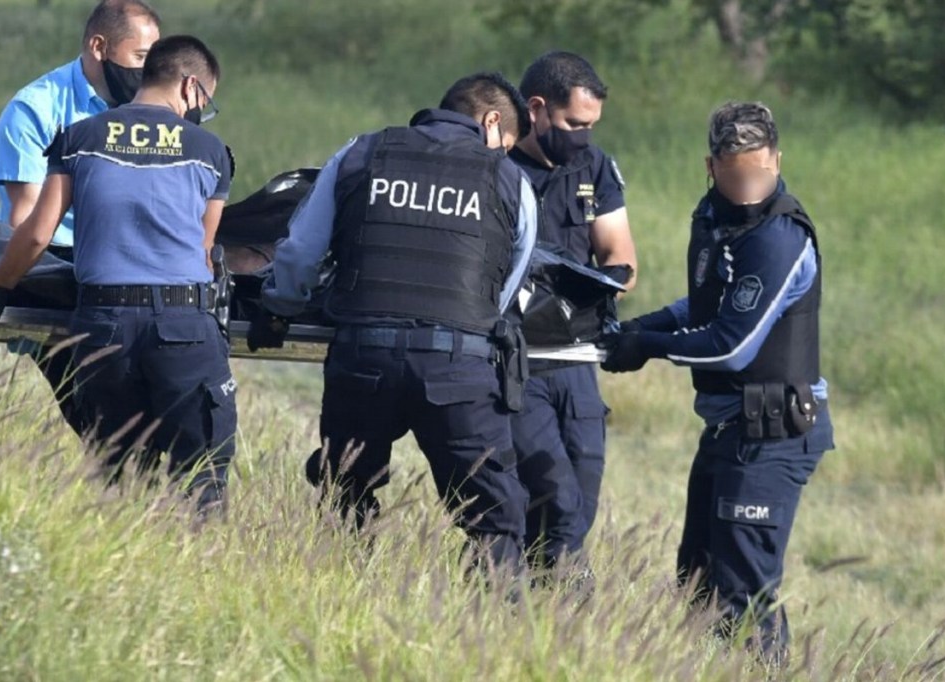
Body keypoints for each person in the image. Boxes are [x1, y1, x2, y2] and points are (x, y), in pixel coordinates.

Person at [247, 72, 538, 569]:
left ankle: (335, 600)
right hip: (459, 372)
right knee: (496, 518)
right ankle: (487, 632)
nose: (502, 154)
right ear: (491, 122)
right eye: (506, 144)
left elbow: (301, 254)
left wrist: (279, 308)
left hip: (364, 359)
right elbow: (509, 283)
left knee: (345, 494)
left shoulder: (362, 152)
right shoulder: (510, 179)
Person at [601, 101, 835, 663]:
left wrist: (647, 348)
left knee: (741, 598)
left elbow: (731, 347)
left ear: (778, 159)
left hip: (773, 434)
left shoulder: (779, 236)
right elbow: (704, 303)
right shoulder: (714, 216)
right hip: (731, 430)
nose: (749, 185)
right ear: (711, 167)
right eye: (734, 175)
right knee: (698, 583)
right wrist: (643, 325)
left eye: (760, 171)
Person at [0, 35, 236, 513]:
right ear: (190, 87)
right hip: (183, 325)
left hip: (103, 324)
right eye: (205, 99)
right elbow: (204, 252)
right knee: (202, 477)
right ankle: (193, 572)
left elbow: (38, 234)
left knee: (119, 472)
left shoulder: (80, 139)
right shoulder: (210, 151)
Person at [0, 0, 161, 431]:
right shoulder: (35, 109)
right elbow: (26, 225)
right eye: (140, 58)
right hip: (54, 267)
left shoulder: (152, 110)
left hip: (129, 265)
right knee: (102, 424)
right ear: (99, 46)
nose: (148, 71)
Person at [507, 52, 637, 569]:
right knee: (549, 497)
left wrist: (581, 292)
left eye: (591, 126)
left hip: (578, 359)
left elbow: (621, 260)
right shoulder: (495, 165)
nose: (582, 135)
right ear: (536, 109)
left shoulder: (595, 167)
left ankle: (550, 608)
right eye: (573, 124)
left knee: (580, 501)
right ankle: (520, 597)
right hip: (518, 360)